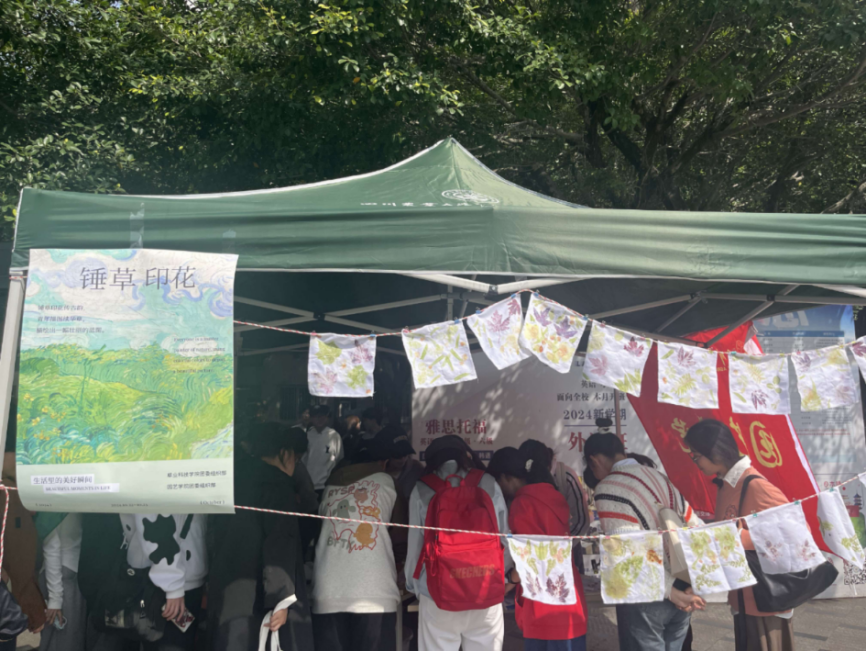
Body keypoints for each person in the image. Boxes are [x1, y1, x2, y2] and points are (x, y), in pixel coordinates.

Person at [584, 432, 704, 651]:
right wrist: (689, 586)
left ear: (594, 460)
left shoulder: (608, 487)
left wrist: (670, 592)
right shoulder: (660, 477)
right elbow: (694, 526)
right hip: (683, 585)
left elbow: (626, 551)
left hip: (647, 596)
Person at [685, 419, 795, 651]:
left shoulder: (754, 485)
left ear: (714, 451)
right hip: (743, 598)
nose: (695, 462)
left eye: (696, 456)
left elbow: (793, 535)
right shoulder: (726, 486)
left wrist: (739, 538)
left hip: (765, 602)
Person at [208, 424, 317, 651]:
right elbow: (280, 541)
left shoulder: (230, 478)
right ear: (285, 453)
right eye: (296, 459)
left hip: (226, 578)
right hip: (259, 588)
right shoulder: (277, 484)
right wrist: (281, 598)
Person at [405, 435, 509, 651]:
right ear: (465, 455)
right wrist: (501, 578)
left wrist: (413, 586)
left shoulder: (422, 489)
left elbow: (415, 547)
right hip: (485, 589)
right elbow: (504, 539)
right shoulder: (488, 482)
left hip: (437, 594)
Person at [311, 430, 409, 651]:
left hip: (327, 591)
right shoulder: (388, 482)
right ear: (383, 463)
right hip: (374, 593)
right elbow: (401, 540)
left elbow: (320, 536)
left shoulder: (330, 486)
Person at [488, 447, 588, 651]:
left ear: (506, 477)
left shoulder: (523, 504)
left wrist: (506, 583)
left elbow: (529, 560)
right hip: (570, 598)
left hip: (543, 604)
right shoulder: (553, 495)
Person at [518, 440, 590, 538]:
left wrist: (563, 543)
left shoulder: (565, 477)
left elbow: (581, 520)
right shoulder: (522, 481)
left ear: (548, 466)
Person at [37, 513, 85, 651]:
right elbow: (51, 546)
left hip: (64, 573)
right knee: (65, 641)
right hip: (61, 577)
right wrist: (55, 598)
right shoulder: (53, 505)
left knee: (63, 640)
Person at [375, 424, 425, 502]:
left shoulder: (417, 470)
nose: (403, 458)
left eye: (406, 453)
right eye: (397, 455)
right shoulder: (375, 473)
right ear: (385, 455)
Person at [303, 405, 344, 494]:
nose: (319, 419)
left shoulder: (334, 436)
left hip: (327, 485)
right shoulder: (307, 436)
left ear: (327, 418)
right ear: (311, 418)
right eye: (316, 416)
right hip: (309, 485)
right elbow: (303, 460)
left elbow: (339, 458)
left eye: (322, 416)